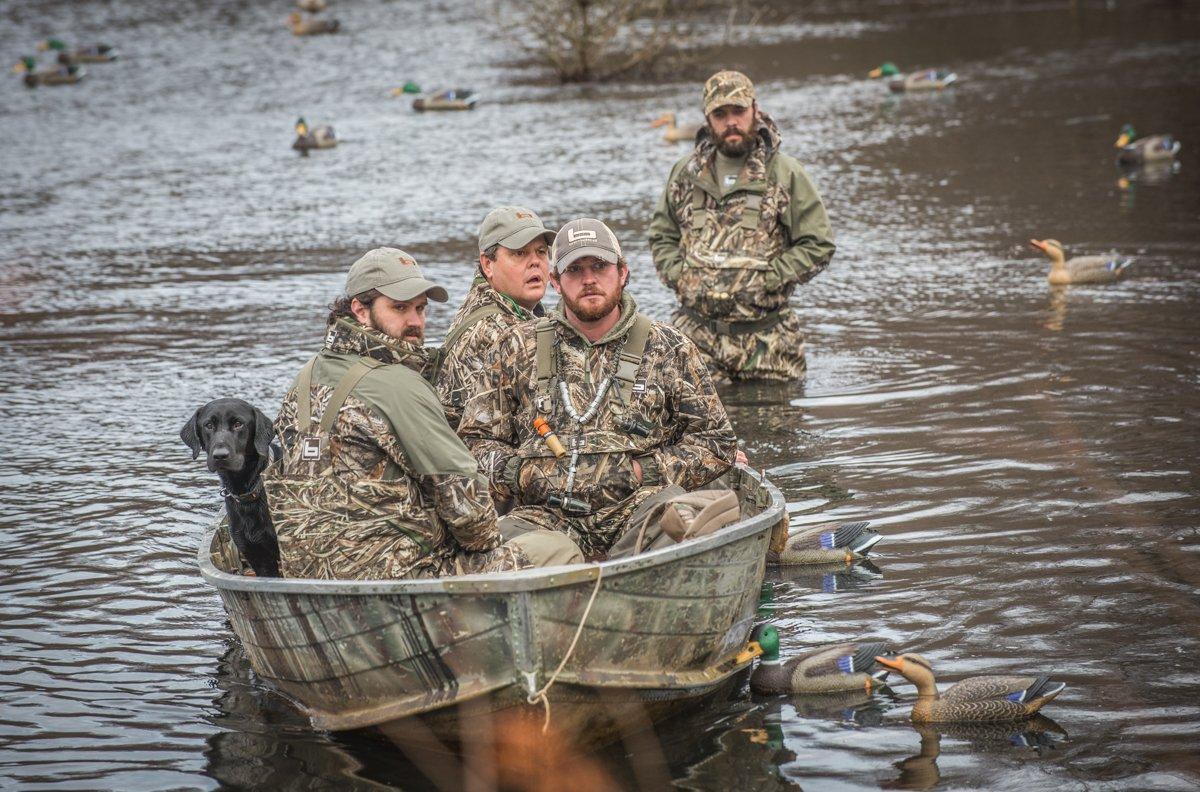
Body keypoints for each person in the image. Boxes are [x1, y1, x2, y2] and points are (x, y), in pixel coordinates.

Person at [263, 247, 582, 580]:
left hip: (304, 573)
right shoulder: (400, 385)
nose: (415, 322)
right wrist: (497, 535)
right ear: (360, 309)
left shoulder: (306, 376)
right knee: (556, 547)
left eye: (420, 308)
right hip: (399, 577)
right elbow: (471, 518)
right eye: (399, 308)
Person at [458, 219, 738, 557]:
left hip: (641, 511)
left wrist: (643, 470)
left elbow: (715, 442)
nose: (589, 279)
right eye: (575, 270)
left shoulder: (670, 347)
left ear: (622, 272)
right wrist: (521, 472)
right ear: (556, 282)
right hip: (547, 516)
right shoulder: (515, 347)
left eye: (599, 266)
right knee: (492, 551)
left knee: (688, 523)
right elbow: (474, 445)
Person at [648, 69, 836, 381]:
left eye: (738, 111)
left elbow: (819, 243)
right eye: (720, 114)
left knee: (775, 427)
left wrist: (770, 278)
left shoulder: (784, 172)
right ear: (708, 119)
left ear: (755, 110)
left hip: (768, 342)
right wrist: (680, 276)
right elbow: (661, 235)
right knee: (693, 428)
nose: (731, 121)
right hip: (695, 342)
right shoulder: (685, 173)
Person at [434, 206, 556, 428]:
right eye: (519, 253)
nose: (535, 261)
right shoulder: (494, 331)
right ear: (488, 264)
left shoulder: (501, 306)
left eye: (541, 251)